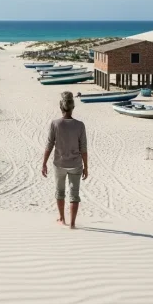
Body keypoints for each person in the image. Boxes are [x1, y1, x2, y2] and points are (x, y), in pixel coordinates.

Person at [42, 91, 88, 229]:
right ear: (73, 107)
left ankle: (62, 219)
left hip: (59, 164)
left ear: (60, 107)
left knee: (59, 192)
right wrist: (86, 166)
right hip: (75, 164)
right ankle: (72, 224)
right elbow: (83, 148)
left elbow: (49, 144)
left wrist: (44, 163)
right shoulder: (80, 125)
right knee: (74, 194)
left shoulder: (55, 124)